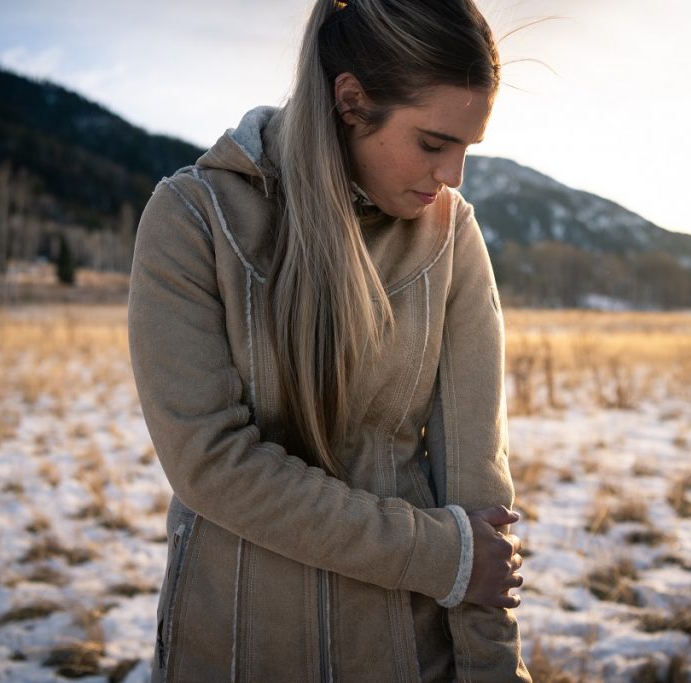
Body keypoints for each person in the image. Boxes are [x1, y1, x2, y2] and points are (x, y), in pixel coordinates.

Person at [128, 0, 530, 680]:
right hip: (230, 648)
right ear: (351, 101)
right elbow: (212, 464)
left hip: (406, 653)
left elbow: (478, 494)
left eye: (467, 147)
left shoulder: (452, 235)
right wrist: (440, 555)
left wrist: (494, 669)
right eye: (434, 143)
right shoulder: (192, 220)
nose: (454, 176)